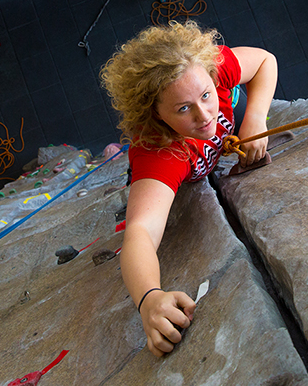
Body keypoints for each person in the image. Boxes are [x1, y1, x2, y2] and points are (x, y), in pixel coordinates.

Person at [100, 20, 277, 357]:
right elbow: (140, 232)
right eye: (184, 109)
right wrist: (149, 298)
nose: (204, 114)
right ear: (156, 115)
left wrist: (256, 116)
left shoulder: (203, 71)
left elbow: (265, 61)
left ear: (211, 76)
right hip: (173, 180)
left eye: (207, 96)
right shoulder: (161, 152)